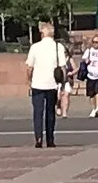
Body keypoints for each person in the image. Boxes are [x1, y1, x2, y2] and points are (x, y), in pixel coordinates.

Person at [27, 18, 69, 147]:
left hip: (37, 83)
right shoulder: (58, 47)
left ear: (42, 33)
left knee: (38, 112)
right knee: (50, 112)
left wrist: (29, 80)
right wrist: (63, 83)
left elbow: (29, 67)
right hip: (52, 84)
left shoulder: (35, 47)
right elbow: (63, 67)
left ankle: (38, 138)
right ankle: (50, 139)